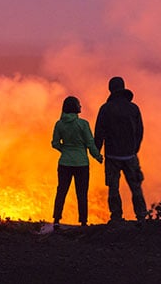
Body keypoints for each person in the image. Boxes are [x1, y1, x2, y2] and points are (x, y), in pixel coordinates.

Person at [94, 76, 147, 222]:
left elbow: (99, 132)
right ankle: (141, 215)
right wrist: (134, 149)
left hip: (112, 156)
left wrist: (96, 151)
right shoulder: (134, 108)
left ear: (111, 89)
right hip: (130, 156)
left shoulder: (105, 109)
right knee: (135, 186)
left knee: (113, 187)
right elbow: (140, 131)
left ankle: (116, 217)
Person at [51, 96, 103, 229]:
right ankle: (83, 222)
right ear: (74, 107)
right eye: (79, 105)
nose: (81, 107)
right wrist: (98, 156)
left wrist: (65, 150)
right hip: (81, 164)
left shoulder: (59, 124)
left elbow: (55, 143)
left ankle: (56, 220)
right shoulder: (83, 124)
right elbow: (90, 143)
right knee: (81, 193)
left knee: (61, 191)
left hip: (64, 163)